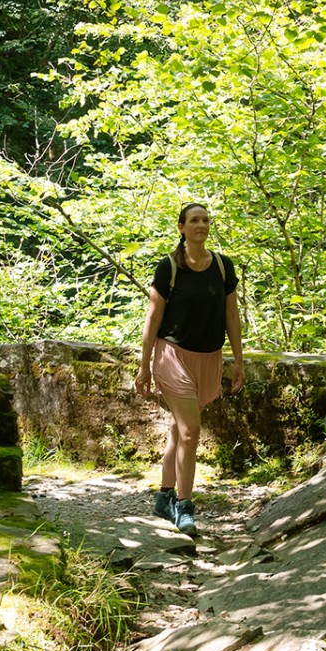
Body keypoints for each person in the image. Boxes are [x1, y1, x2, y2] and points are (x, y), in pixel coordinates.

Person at [135, 202, 244, 535]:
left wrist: (239, 360)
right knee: (190, 431)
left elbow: (231, 317)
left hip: (208, 358)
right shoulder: (168, 268)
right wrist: (144, 367)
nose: (201, 225)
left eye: (205, 220)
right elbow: (153, 318)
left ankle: (163, 495)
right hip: (172, 355)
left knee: (178, 429)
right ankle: (184, 506)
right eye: (194, 220)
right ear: (181, 227)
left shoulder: (223, 267)